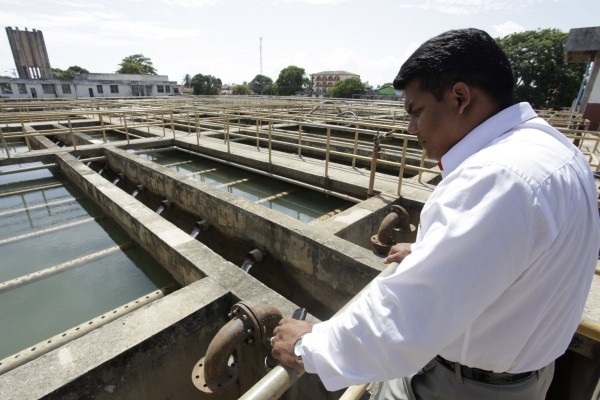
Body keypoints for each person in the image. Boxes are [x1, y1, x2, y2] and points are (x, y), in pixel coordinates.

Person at [270, 28, 600, 399]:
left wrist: (308, 348)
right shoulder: (552, 149)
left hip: (462, 386)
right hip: (522, 377)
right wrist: (437, 250)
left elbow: (404, 323)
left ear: (460, 97)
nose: (411, 128)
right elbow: (516, 252)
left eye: (417, 111)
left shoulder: (496, 178)